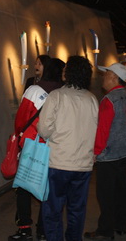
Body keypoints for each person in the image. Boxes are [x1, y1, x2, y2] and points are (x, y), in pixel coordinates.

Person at [37, 56, 99, 241]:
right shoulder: (92, 99)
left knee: (53, 210)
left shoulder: (57, 96)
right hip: (83, 165)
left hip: (58, 162)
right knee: (77, 210)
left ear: (69, 73)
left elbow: (44, 129)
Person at [9, 58, 65, 241]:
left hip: (32, 146)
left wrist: (19, 135)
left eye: (39, 64)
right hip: (53, 147)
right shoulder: (64, 92)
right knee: (47, 188)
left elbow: (21, 119)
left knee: (24, 187)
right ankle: (43, 229)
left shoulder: (34, 90)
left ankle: (24, 228)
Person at [84, 63, 126, 240]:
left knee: (105, 195)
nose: (102, 78)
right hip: (125, 152)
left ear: (114, 77)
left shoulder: (109, 100)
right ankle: (120, 225)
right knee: (121, 191)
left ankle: (105, 231)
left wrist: (96, 153)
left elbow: (103, 130)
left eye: (106, 75)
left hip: (109, 154)